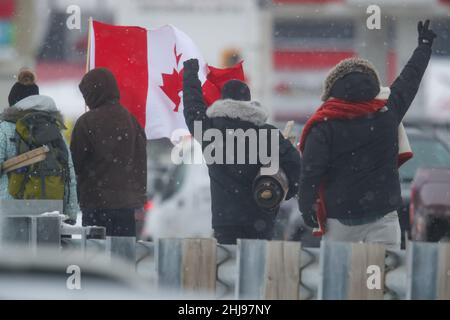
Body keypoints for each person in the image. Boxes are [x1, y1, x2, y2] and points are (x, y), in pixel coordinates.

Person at [298, 20, 436, 249]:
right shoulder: (388, 112)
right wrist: (424, 46)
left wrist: (307, 209)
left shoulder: (324, 123)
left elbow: (311, 172)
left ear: (332, 89)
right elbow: (409, 80)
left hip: (339, 218)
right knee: (383, 279)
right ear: (374, 87)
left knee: (338, 279)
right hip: (383, 215)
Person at [183, 58, 301, 245]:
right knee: (257, 269)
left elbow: (192, 108)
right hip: (261, 217)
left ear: (222, 101)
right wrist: (287, 190)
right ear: (249, 103)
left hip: (225, 222)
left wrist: (190, 74)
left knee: (227, 268)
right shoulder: (267, 133)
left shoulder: (210, 132)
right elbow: (296, 165)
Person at [71, 68, 147, 237]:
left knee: (95, 258)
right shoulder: (131, 120)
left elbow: (74, 164)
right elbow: (141, 160)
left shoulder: (86, 123)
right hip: (127, 207)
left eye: (86, 94)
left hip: (95, 205)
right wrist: (139, 197)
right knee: (123, 259)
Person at [0, 69, 78, 224]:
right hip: (51, 211)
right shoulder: (55, 129)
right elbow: (69, 173)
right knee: (45, 249)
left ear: (13, 103)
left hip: (9, 209)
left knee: (13, 248)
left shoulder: (4, 128)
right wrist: (70, 213)